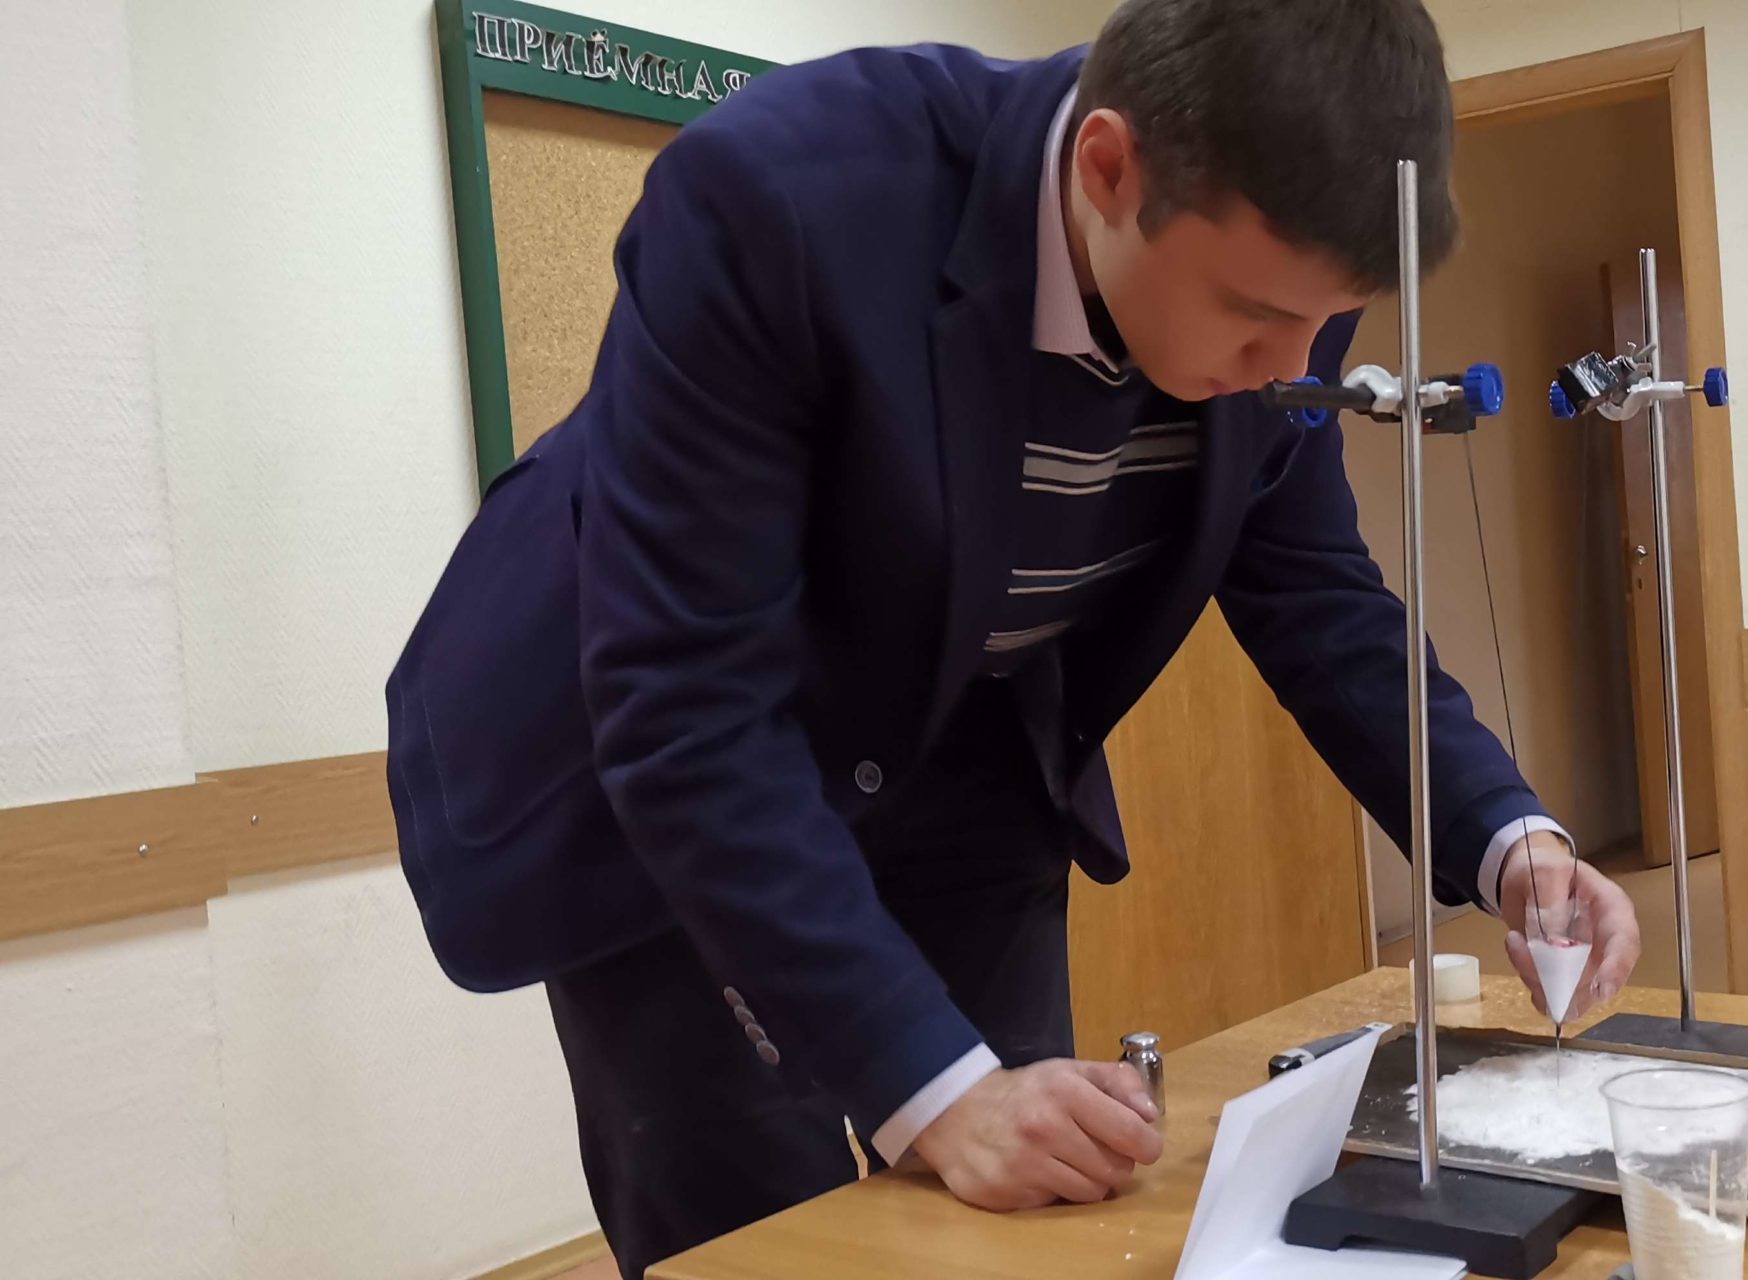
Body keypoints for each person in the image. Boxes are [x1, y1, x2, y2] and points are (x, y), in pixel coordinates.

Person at [381, 3, 1640, 1274]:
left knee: (1042, 1186)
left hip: (964, 745)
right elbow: (686, 704)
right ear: (1108, 168)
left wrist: (1506, 837)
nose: (1288, 365)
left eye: (1327, 320)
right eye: (1255, 315)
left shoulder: (1280, 279)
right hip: (671, 777)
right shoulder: (779, 199)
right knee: (768, 1229)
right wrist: (933, 1089)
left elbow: (1315, 591)